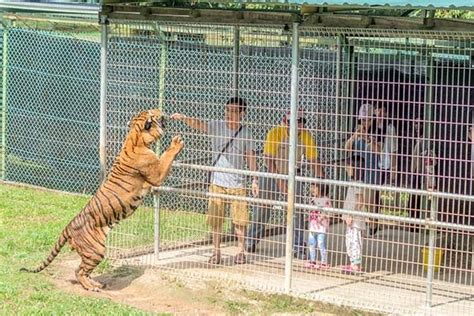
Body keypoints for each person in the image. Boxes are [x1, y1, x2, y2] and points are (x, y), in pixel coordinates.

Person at [170, 97, 259, 265]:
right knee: (215, 219)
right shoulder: (217, 126)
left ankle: (241, 251)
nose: (229, 114)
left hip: (237, 183)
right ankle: (216, 252)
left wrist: (255, 179)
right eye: (227, 110)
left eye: (234, 111)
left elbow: (251, 157)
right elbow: (199, 125)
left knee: (240, 221)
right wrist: (184, 118)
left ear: (242, 113)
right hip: (217, 182)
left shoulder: (246, 133)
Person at [246, 108, 324, 259]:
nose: (296, 125)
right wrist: (281, 184)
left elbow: (314, 160)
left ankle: (299, 247)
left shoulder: (306, 136)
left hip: (293, 175)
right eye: (292, 122)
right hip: (272, 173)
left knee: (296, 211)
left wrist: (321, 180)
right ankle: (251, 239)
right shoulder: (275, 133)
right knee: (262, 207)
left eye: (300, 121)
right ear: (285, 122)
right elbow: (269, 160)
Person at [344, 103, 381, 236]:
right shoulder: (356, 130)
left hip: (371, 170)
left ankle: (373, 223)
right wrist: (354, 136)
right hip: (358, 171)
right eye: (363, 120)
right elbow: (347, 148)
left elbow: (379, 151)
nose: (365, 122)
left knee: (370, 203)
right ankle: (356, 227)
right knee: (357, 201)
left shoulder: (377, 132)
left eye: (368, 119)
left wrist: (368, 138)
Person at [341, 158, 366, 274]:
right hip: (350, 220)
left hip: (355, 220)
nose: (347, 169)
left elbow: (360, 201)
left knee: (355, 241)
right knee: (349, 240)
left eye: (349, 167)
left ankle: (356, 264)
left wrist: (351, 215)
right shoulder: (352, 183)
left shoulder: (358, 184)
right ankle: (352, 263)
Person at [305, 183, 331, 269]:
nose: (312, 189)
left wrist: (323, 216)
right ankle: (312, 260)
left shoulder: (326, 200)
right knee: (311, 243)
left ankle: (324, 262)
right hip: (312, 226)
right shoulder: (312, 199)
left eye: (314, 187)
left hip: (321, 227)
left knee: (321, 243)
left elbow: (329, 212)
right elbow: (310, 210)